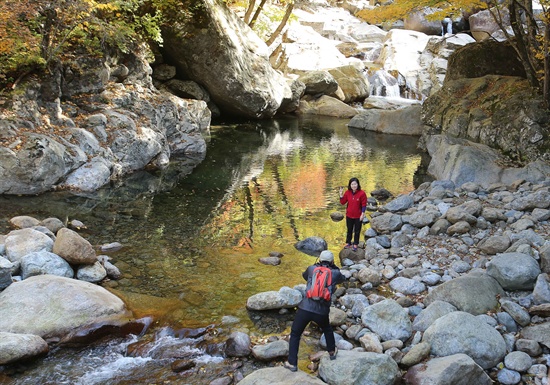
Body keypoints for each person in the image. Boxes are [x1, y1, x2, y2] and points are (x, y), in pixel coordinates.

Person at [284, 250, 345, 372]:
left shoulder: (312, 269)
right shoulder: (335, 273)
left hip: (305, 308)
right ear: (332, 261)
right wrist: (334, 267)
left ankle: (292, 363)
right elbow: (342, 278)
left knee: (295, 334)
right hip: (321, 312)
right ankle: (332, 352)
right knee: (327, 329)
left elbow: (304, 275)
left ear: (319, 259)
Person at [339, 177, 367, 252]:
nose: (354, 185)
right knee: (349, 230)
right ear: (350, 185)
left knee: (357, 230)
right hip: (349, 215)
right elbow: (342, 202)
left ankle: (355, 243)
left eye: (355, 184)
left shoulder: (362, 193)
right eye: (352, 184)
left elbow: (364, 205)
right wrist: (341, 195)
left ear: (358, 184)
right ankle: (348, 242)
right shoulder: (347, 192)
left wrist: (362, 214)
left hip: (358, 215)